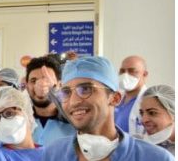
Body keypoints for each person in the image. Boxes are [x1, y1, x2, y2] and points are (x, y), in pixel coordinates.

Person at [41, 56, 173, 160]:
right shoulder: (53, 155)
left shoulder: (155, 158)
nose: (73, 102)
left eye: (86, 89)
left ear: (115, 98)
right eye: (66, 92)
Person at [25, 55, 75, 145]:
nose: (40, 85)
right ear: (27, 86)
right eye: (33, 81)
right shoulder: (21, 121)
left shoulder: (74, 120)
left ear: (59, 85)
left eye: (47, 80)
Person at [114, 55, 148, 135]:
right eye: (122, 71)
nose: (125, 75)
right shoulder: (116, 99)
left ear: (144, 74)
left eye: (132, 71)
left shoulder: (149, 101)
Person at [138, 85, 175, 155]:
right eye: (142, 113)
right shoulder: (139, 143)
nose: (143, 120)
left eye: (152, 113)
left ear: (173, 114)